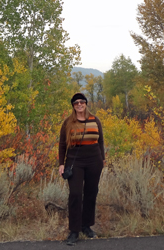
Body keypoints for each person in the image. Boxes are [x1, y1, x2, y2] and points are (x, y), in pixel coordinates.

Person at [58, 92, 105, 246]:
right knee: (76, 194)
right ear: (73, 105)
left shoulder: (95, 120)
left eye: (82, 102)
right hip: (75, 162)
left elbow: (101, 142)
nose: (79, 104)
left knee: (91, 193)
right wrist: (61, 164)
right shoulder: (68, 123)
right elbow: (62, 145)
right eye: (76, 102)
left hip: (94, 161)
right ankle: (74, 230)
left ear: (86, 103)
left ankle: (86, 226)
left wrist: (102, 159)